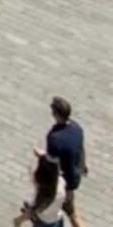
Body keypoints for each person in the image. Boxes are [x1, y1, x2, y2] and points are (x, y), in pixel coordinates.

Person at [45, 96, 86, 227]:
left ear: (56, 114)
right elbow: (81, 149)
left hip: (62, 183)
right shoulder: (77, 128)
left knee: (72, 213)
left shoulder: (54, 138)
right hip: (74, 176)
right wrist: (83, 166)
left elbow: (51, 166)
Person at [13, 154, 66, 227]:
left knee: (30, 208)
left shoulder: (40, 197)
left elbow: (30, 212)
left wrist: (19, 220)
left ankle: (19, 219)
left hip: (43, 222)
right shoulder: (61, 182)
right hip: (57, 219)